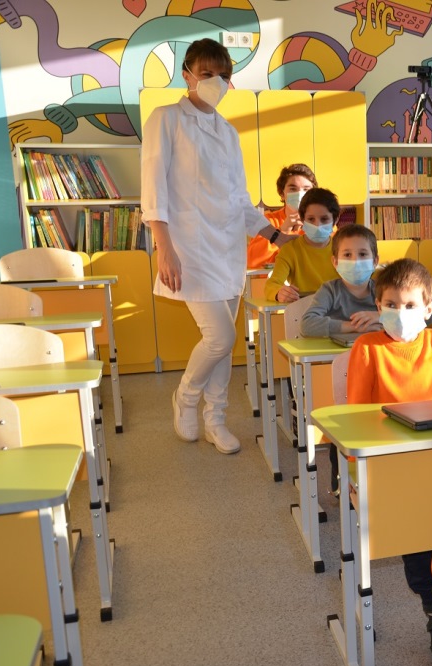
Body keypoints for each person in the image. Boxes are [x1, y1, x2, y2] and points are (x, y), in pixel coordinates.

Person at [142, 38, 296, 455]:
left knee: (225, 344)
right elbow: (153, 187)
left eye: (223, 75)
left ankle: (216, 419)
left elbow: (239, 200)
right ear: (187, 75)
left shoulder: (228, 132)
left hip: (227, 250)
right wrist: (164, 247)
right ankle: (186, 397)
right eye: (206, 73)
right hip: (188, 250)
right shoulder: (166, 119)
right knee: (220, 337)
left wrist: (275, 235)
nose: (215, 81)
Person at [346, 258, 432, 666]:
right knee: (419, 540)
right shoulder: (367, 349)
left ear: (429, 308)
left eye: (411, 305)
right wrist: (357, 472)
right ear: (378, 306)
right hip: (394, 464)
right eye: (392, 304)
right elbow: (357, 418)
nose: (401, 312)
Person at [299, 224, 381, 338]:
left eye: (362, 254)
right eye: (347, 255)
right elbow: (307, 325)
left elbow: (405, 319)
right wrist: (356, 327)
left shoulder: (383, 290)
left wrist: (382, 317)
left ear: (375, 261)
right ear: (335, 262)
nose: (355, 261)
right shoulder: (330, 290)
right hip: (336, 349)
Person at [264, 187, 341, 303]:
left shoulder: (343, 248)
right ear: (302, 219)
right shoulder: (290, 249)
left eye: (324, 219)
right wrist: (279, 292)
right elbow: (271, 284)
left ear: (335, 220)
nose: (317, 225)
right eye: (311, 219)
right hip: (304, 310)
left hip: (339, 309)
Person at [246, 163, 318, 269]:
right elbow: (252, 261)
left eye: (306, 190)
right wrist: (281, 231)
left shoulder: (322, 220)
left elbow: (333, 255)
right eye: (293, 189)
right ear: (282, 193)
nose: (299, 194)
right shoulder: (268, 222)